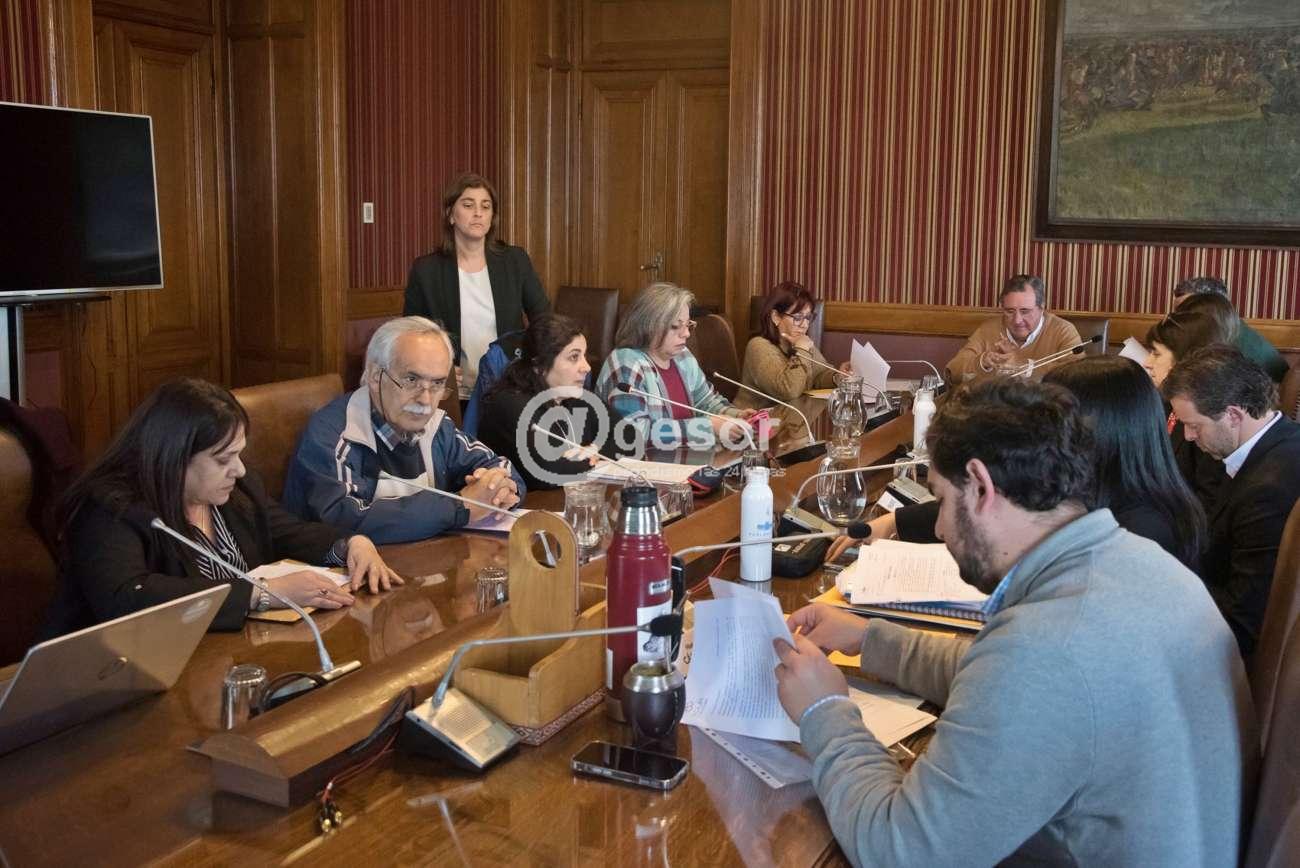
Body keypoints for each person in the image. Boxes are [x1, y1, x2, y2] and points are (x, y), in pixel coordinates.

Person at [777, 378, 1252, 866]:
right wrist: (868, 639)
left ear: (981, 486)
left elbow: (898, 852)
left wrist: (824, 710)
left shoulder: (1046, 651)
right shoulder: (1140, 562)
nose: (938, 527)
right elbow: (1001, 677)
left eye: (942, 499)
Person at [43, 379, 402, 637]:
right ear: (174, 460)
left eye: (239, 454)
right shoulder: (109, 508)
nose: (240, 470)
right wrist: (262, 594)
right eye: (223, 459)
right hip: (117, 680)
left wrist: (351, 544)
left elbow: (286, 532)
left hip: (227, 656)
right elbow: (128, 599)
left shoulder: (234, 489)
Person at [827, 356, 1205, 570]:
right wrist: (894, 521)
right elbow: (1002, 498)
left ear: (1100, 432)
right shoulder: (1108, 492)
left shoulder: (1141, 533)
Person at [283, 316, 526, 544]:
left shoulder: (438, 427)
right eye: (411, 380)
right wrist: (460, 506)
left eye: (437, 384)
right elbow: (344, 521)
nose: (425, 400)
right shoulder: (333, 436)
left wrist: (499, 489)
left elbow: (500, 466)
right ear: (375, 376)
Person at [1162, 345, 1300, 656]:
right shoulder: (1280, 440)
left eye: (1194, 425)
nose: (1188, 437)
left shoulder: (1269, 490)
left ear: (1234, 415)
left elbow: (1244, 619)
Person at [403, 172, 550, 400]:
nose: (478, 213)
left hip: (509, 387)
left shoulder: (515, 260)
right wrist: (437, 368)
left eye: (486, 206)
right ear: (451, 214)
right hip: (453, 392)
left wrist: (531, 361)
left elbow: (544, 318)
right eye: (468, 205)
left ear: (492, 217)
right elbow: (411, 334)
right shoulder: (426, 270)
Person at [595, 282, 755, 452]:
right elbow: (632, 433)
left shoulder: (682, 356)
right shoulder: (626, 362)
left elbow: (706, 403)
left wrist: (736, 416)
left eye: (688, 325)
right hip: (640, 465)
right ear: (648, 325)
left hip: (686, 460)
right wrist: (705, 427)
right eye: (675, 326)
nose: (686, 333)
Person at [476, 314, 606, 491]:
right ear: (540, 366)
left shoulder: (571, 397)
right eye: (574, 357)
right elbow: (547, 472)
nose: (587, 367)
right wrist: (594, 457)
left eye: (584, 356)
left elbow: (625, 436)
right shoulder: (510, 404)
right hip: (521, 505)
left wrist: (593, 450)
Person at [1143, 301, 1240, 511]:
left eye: (1156, 354)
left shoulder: (1209, 416)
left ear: (1184, 358)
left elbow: (1208, 498)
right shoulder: (1164, 401)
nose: (1147, 363)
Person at [736, 281, 850, 411]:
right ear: (776, 317)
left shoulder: (800, 342)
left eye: (808, 317)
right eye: (797, 317)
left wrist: (838, 377)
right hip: (751, 420)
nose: (804, 325)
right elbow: (788, 390)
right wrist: (802, 350)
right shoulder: (758, 346)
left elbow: (819, 375)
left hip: (788, 418)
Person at [945, 274, 1081, 381]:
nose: (1017, 321)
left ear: (1041, 307)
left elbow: (1077, 377)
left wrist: (1022, 366)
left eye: (1025, 311)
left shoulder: (1063, 331)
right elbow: (953, 371)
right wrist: (982, 362)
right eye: (1009, 311)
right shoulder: (989, 329)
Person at [1172, 275, 1290, 382]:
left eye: (1187, 310)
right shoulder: (1225, 329)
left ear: (1215, 307)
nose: (1177, 318)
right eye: (1177, 312)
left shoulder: (1237, 344)